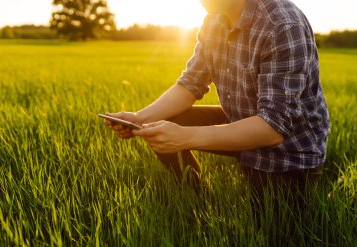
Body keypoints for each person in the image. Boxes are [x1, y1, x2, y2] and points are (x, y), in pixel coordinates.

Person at [104, 0, 330, 210]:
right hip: (241, 122)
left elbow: (273, 128)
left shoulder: (282, 25)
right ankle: (193, 201)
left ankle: (319, 184)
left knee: (269, 229)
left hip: (287, 151)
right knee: (160, 123)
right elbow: (190, 85)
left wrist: (185, 137)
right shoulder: (214, 19)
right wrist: (139, 118)